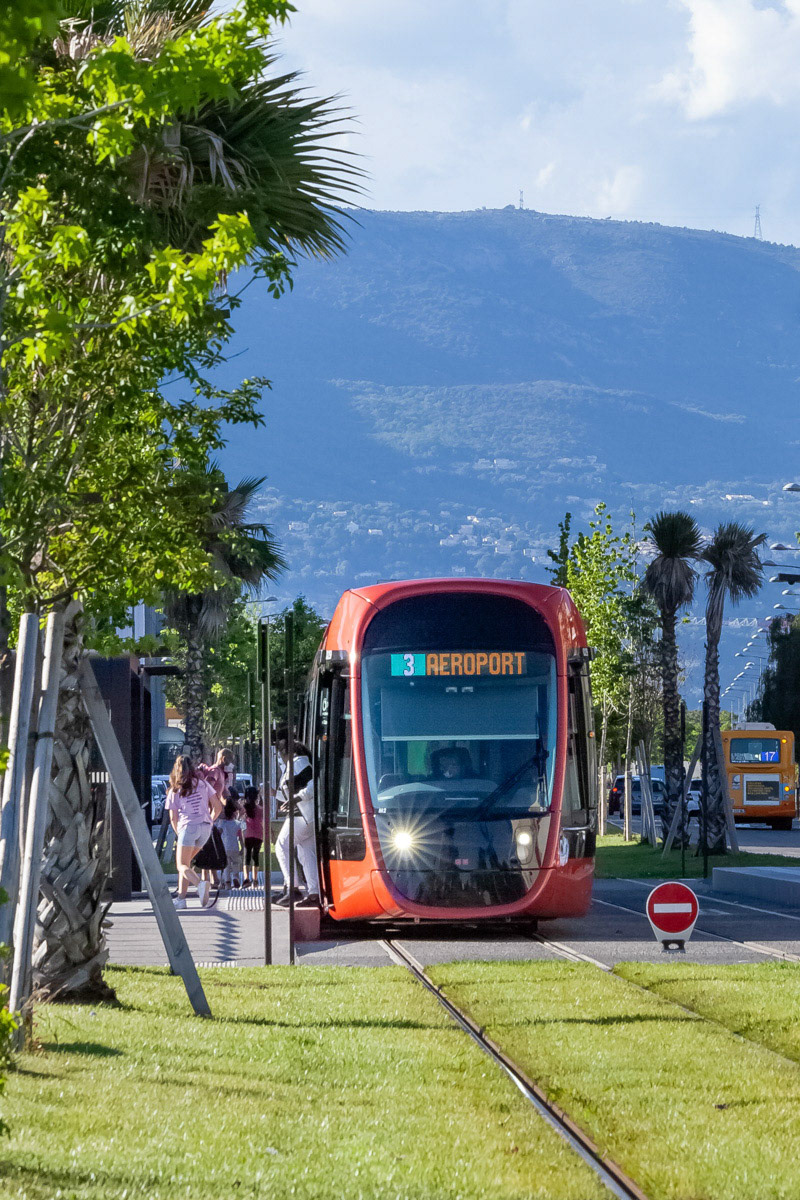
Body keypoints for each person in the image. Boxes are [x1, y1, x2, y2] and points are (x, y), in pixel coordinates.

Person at [165, 755, 223, 909]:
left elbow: (173, 817)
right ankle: (181, 899)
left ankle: (200, 884)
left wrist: (179, 833)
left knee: (181, 865)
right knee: (187, 864)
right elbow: (218, 807)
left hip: (188, 827)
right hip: (205, 828)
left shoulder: (175, 789)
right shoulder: (203, 784)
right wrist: (210, 820)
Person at [274, 730, 319, 909]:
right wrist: (274, 794)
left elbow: (314, 785)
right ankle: (314, 893)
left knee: (281, 845)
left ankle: (292, 888)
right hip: (306, 817)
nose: (280, 755)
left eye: (281, 751)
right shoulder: (293, 765)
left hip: (301, 816)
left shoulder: (299, 763)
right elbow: (290, 794)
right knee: (306, 854)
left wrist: (296, 798)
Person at [217, 798, 244, 888]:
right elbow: (241, 837)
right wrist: (242, 847)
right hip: (235, 847)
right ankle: (235, 877)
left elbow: (219, 833)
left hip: (224, 848)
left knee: (226, 865)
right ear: (234, 812)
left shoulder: (222, 823)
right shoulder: (237, 823)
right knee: (236, 863)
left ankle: (227, 881)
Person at [242, 786, 265, 889]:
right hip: (258, 835)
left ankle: (246, 879)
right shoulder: (260, 809)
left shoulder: (244, 809)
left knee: (246, 856)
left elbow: (240, 820)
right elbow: (264, 821)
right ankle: (255, 880)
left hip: (247, 834)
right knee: (256, 856)